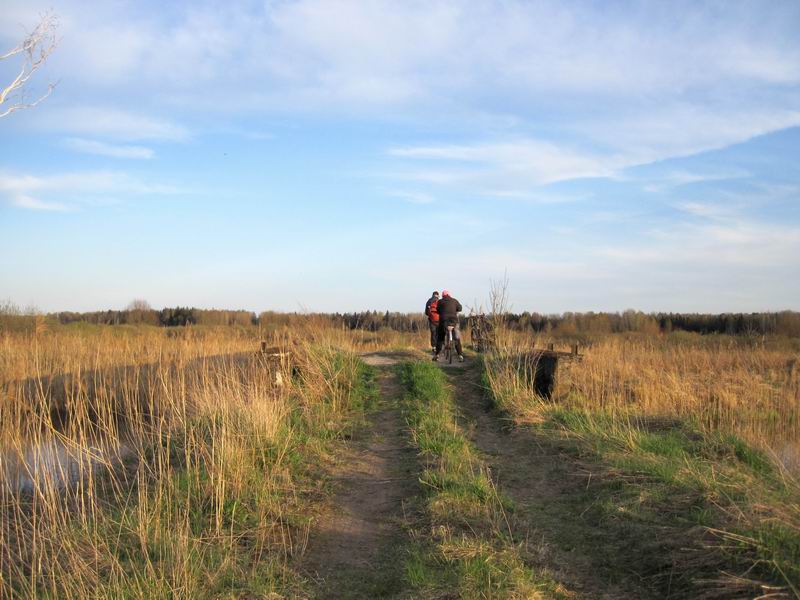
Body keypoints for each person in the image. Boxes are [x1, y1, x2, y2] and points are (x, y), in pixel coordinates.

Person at [433, 290, 464, 362]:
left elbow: (437, 310)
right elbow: (460, 308)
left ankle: (437, 355)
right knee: (456, 337)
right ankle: (460, 355)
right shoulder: (454, 300)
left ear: (443, 296)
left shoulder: (440, 301)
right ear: (449, 295)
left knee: (440, 337)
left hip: (444, 321)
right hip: (454, 321)